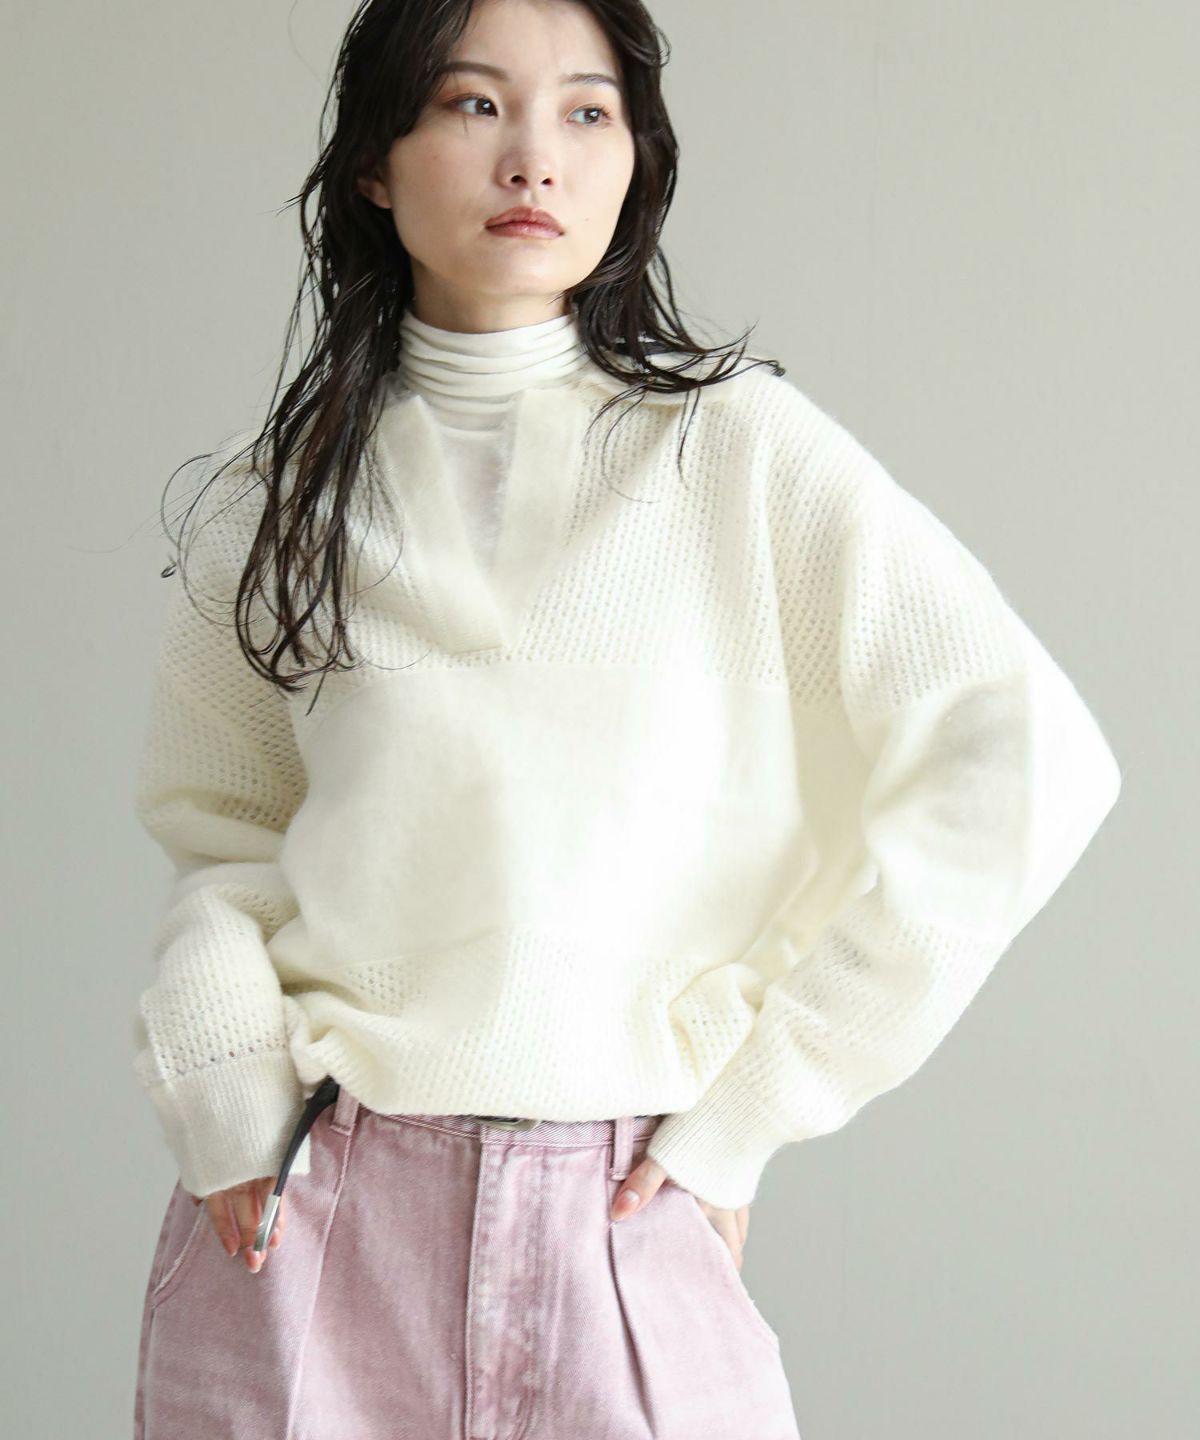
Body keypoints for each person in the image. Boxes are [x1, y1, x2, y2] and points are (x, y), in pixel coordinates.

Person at [129, 1, 1122, 1436]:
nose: (534, 156)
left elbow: (1024, 756)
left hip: (621, 1214)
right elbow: (222, 835)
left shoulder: (738, 451)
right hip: (315, 1212)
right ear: (375, 162)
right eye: (473, 103)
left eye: (587, 112)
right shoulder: (275, 497)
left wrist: (753, 1113)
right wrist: (225, 1081)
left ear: (635, 159)